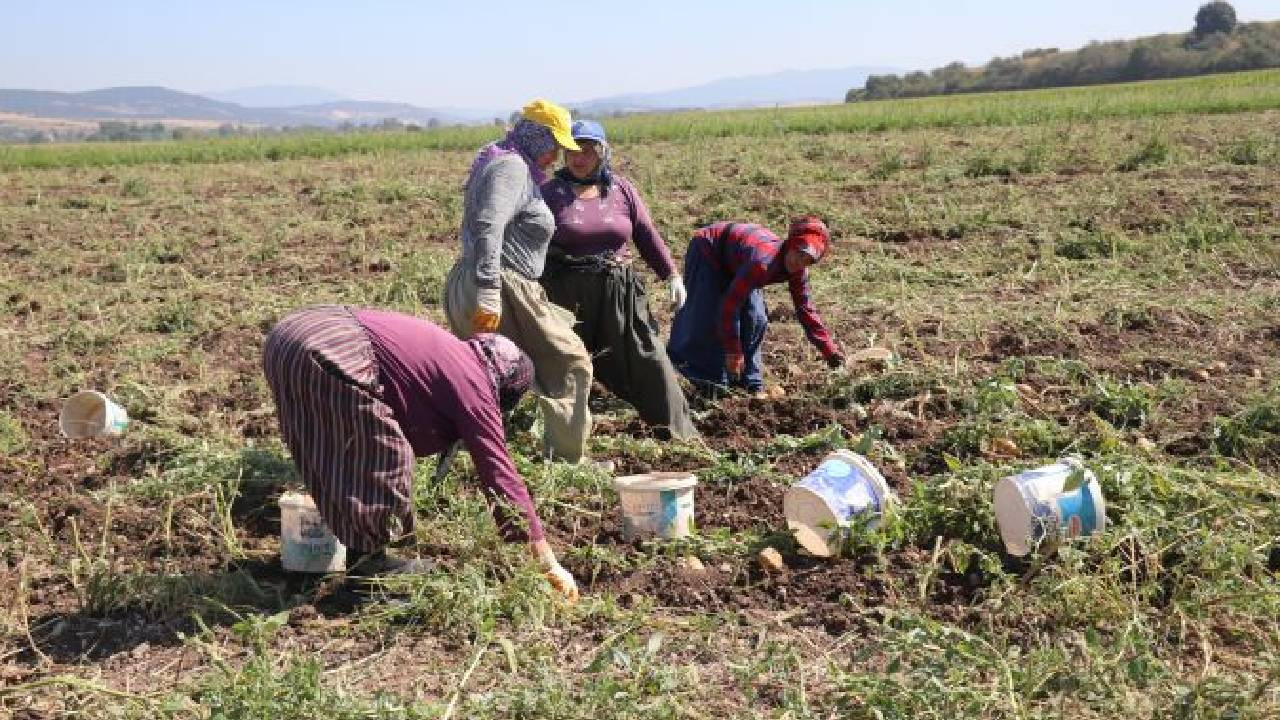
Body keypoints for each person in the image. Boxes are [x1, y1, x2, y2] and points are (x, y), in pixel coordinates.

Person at [262, 305, 578, 601]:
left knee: (338, 445)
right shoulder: (475, 384)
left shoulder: (453, 355)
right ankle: (370, 572)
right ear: (501, 386)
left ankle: (349, 551)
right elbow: (500, 476)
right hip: (328, 345)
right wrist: (546, 562)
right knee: (387, 455)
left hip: (288, 337)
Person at [443, 99, 595, 463]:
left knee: (485, 374)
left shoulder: (507, 160)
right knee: (569, 364)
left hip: (488, 281)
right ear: (536, 136)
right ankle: (567, 459)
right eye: (554, 143)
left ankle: (463, 454)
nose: (557, 154)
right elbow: (488, 224)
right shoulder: (511, 167)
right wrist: (491, 290)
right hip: (503, 286)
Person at [540, 120, 697, 440]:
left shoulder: (621, 190)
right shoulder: (550, 193)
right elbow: (529, 240)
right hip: (566, 293)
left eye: (587, 149)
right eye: (571, 150)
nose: (578, 157)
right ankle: (566, 443)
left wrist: (671, 274)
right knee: (567, 368)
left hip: (618, 290)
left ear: (602, 152)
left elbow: (646, 235)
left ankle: (677, 433)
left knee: (649, 356)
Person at [667, 217, 845, 396]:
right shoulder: (761, 263)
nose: (800, 263)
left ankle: (751, 383)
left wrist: (830, 352)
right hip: (709, 252)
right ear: (790, 244)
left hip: (740, 263)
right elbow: (730, 307)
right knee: (708, 316)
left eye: (808, 261)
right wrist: (733, 351)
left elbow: (806, 310)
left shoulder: (797, 271)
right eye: (800, 254)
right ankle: (705, 380)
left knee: (756, 318)